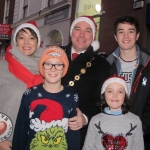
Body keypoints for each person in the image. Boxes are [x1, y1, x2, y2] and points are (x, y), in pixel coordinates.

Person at [12, 46, 80, 150]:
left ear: (64, 69)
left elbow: (73, 133)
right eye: (48, 64)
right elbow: (21, 129)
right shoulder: (30, 94)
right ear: (42, 67)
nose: (53, 69)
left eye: (58, 64)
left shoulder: (72, 96)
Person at [60, 15, 110, 148]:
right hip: (51, 126)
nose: (82, 34)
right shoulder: (56, 55)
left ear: (93, 36)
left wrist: (85, 117)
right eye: (77, 29)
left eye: (88, 30)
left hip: (81, 134)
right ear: (71, 33)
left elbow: (102, 101)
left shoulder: (102, 65)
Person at [106, 15, 150, 149]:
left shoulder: (148, 65)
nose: (126, 36)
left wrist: (141, 129)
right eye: (121, 32)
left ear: (137, 36)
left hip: (142, 138)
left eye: (130, 31)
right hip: (110, 136)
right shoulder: (106, 65)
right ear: (115, 36)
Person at [0, 21, 43, 150]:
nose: (26, 42)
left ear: (37, 42)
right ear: (15, 41)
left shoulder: (48, 69)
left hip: (38, 140)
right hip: (7, 139)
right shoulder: (2, 67)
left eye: (31, 38)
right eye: (21, 37)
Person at [82, 76, 144, 150]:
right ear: (104, 95)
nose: (115, 95)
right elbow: (88, 147)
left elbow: (139, 147)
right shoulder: (95, 120)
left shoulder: (135, 121)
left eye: (120, 91)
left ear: (125, 95)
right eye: (110, 91)